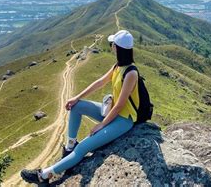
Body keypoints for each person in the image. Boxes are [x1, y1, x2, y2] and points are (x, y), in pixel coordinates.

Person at [21, 30, 140, 185]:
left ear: (117, 48)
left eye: (112, 44)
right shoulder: (117, 66)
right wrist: (76, 98)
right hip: (112, 113)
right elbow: (99, 83)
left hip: (123, 120)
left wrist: (101, 125)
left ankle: (43, 176)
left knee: (83, 147)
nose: (111, 47)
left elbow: (120, 106)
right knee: (77, 107)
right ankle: (70, 148)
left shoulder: (131, 73)